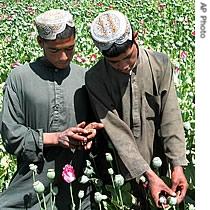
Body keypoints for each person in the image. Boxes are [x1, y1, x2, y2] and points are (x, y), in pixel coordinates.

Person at [0, 9, 103, 209]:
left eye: (70, 49)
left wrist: (91, 134)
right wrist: (57, 138)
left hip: (78, 180)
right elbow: (11, 134)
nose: (64, 57)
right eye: (55, 50)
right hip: (33, 179)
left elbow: (99, 124)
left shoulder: (85, 77)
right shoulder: (20, 78)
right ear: (40, 42)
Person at [85, 10, 188, 209]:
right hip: (120, 169)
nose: (123, 66)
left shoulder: (160, 64)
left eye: (128, 57)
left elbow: (171, 117)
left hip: (162, 164)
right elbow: (118, 134)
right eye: (114, 62)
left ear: (135, 37)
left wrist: (178, 165)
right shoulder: (95, 78)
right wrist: (148, 175)